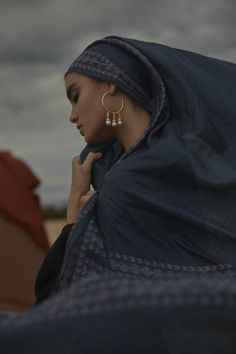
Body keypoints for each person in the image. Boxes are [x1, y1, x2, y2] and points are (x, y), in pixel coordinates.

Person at [0, 35, 236, 353]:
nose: (71, 115)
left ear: (111, 85)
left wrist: (75, 201)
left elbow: (65, 294)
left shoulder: (127, 181)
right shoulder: (195, 154)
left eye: (75, 95)